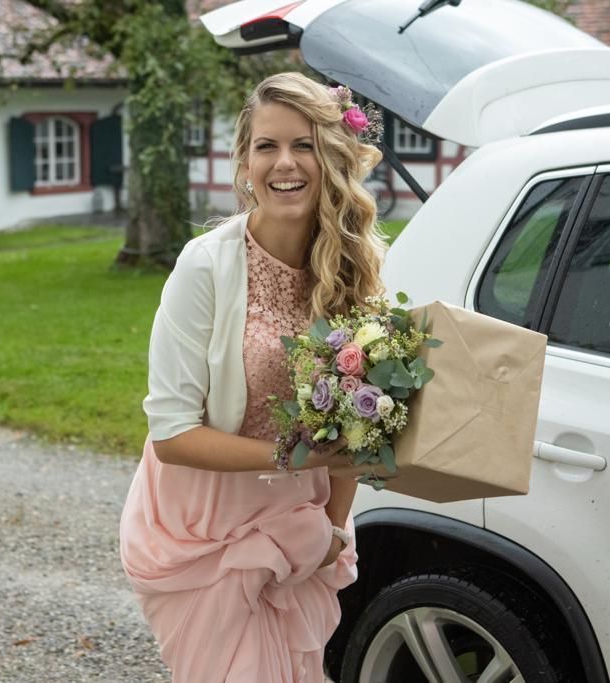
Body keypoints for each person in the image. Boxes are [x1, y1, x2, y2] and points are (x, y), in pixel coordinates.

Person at [118, 72, 387, 682]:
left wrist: (331, 530)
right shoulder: (205, 266)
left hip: (299, 526)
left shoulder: (355, 271)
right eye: (267, 146)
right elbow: (172, 434)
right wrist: (294, 458)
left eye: (303, 145)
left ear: (332, 157)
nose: (284, 163)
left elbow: (357, 425)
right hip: (203, 527)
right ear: (244, 163)